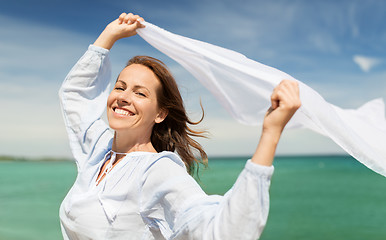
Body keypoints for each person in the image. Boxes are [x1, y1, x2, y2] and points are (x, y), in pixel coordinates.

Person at [59, 12, 301, 240]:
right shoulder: (99, 150)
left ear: (160, 114)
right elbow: (76, 97)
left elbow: (220, 231)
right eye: (120, 87)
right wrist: (108, 36)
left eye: (140, 93)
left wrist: (271, 132)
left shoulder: (157, 170)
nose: (123, 97)